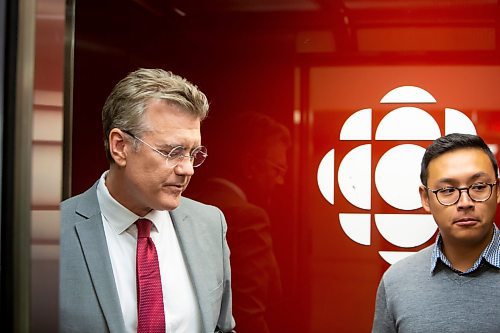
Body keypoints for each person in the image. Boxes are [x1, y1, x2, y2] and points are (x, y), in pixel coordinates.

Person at [60, 68, 235, 333]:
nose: (187, 169)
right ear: (120, 146)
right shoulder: (50, 232)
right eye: (172, 151)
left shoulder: (209, 224)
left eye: (193, 153)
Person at [372, 133, 500, 332]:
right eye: (448, 190)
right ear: (425, 199)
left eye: (479, 187)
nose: (465, 202)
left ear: (497, 190)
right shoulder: (397, 281)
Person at [192, 112, 290, 332]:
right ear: (251, 166)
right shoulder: (247, 218)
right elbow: (248, 315)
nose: (280, 180)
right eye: (278, 170)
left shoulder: (185, 204)